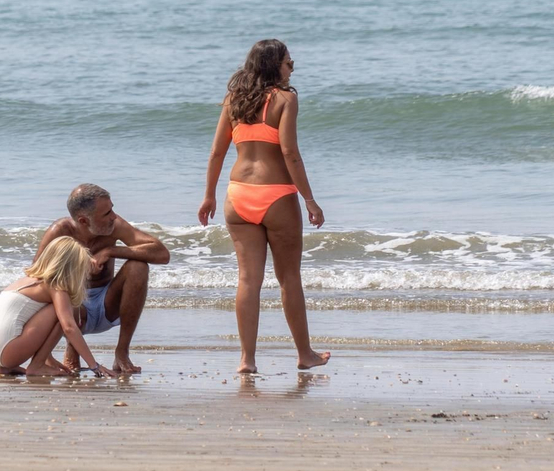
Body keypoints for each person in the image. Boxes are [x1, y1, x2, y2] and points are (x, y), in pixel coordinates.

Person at [198, 39, 331, 375]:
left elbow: (216, 152)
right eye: (289, 63)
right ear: (275, 66)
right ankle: (305, 354)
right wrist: (309, 199)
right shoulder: (286, 100)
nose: (292, 68)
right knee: (289, 278)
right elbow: (289, 153)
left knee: (248, 280)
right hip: (277, 196)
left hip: (238, 195)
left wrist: (209, 195)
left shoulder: (234, 101)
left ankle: (247, 360)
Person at [33, 184, 170, 375]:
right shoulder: (59, 232)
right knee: (58, 291)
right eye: (106, 213)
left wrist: (111, 251)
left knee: (138, 267)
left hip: (107, 304)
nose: (113, 216)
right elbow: (35, 278)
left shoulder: (115, 226)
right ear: (83, 220)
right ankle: (72, 350)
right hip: (72, 307)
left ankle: (122, 352)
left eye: (112, 208)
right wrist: (78, 268)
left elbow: (162, 254)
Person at [0, 236, 117, 378]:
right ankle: (37, 365)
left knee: (38, 313)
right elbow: (69, 328)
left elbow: (28, 325)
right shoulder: (56, 286)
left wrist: (50, 359)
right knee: (62, 313)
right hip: (7, 352)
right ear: (71, 269)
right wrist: (95, 366)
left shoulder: (25, 281)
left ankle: (9, 367)